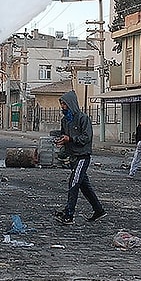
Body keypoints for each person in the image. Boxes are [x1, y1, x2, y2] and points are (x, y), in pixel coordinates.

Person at [53, 90, 106, 225]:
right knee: (84, 186)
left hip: (82, 156)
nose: (63, 107)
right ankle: (98, 210)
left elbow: (86, 137)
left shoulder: (83, 118)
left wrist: (70, 139)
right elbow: (64, 136)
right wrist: (61, 142)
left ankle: (69, 215)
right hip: (72, 156)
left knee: (74, 183)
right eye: (62, 104)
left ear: (71, 104)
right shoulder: (65, 120)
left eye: (64, 104)